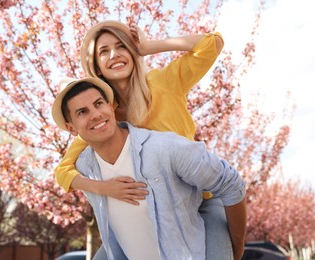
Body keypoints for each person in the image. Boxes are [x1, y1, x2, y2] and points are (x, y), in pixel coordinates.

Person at [54, 20, 244, 259]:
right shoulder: (105, 116)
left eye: (122, 46)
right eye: (104, 51)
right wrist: (104, 188)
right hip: (156, 210)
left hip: (202, 200)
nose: (114, 54)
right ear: (97, 67)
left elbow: (212, 43)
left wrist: (149, 46)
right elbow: (63, 172)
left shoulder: (164, 83)